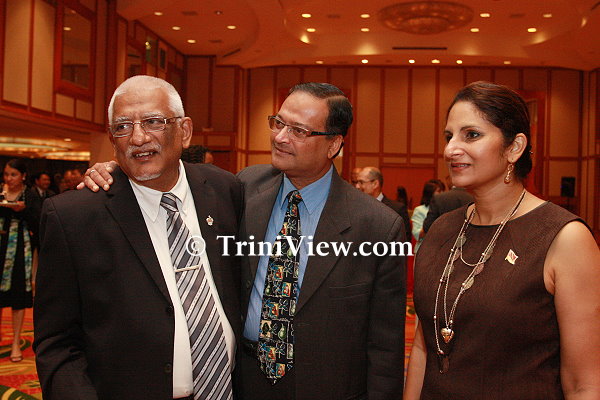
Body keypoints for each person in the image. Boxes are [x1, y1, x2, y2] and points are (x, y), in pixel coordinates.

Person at [83, 82, 407, 400]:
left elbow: (385, 347)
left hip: (327, 386)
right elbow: (169, 174)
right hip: (244, 380)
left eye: (298, 131)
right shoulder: (243, 188)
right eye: (278, 123)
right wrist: (119, 170)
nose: (280, 137)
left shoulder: (377, 226)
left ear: (333, 144)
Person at [34, 75, 243, 399]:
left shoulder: (224, 189)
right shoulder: (73, 217)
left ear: (184, 131)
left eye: (153, 122)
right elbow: (57, 344)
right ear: (112, 139)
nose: (138, 137)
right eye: (122, 127)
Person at [405, 81, 600, 399]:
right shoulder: (442, 229)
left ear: (514, 147)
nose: (451, 149)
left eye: (471, 134)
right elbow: (423, 349)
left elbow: (585, 385)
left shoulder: (564, 237)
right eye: (449, 136)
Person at [0, 159, 38, 363]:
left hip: (19, 251)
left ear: (23, 176)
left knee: (17, 295)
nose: (9, 178)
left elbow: (38, 222)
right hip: (1, 246)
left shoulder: (29, 195)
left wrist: (22, 210)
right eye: (6, 174)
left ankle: (16, 342)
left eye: (13, 174)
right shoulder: (1, 191)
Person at [356, 166, 411, 240]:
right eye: (357, 182)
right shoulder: (355, 207)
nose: (357, 186)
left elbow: (404, 241)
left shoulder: (396, 209)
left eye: (361, 182)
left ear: (375, 184)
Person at [411, 180, 443, 253]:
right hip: (424, 250)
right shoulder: (419, 210)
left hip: (440, 250)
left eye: (442, 191)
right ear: (430, 193)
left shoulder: (444, 208)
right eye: (439, 191)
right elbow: (417, 234)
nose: (442, 193)